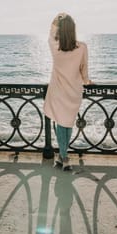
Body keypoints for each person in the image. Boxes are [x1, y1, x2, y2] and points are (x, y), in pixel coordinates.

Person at [43, 12, 93, 171]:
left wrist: (58, 17)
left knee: (61, 123)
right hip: (74, 91)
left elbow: (51, 31)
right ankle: (64, 157)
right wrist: (87, 81)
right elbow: (84, 69)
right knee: (68, 123)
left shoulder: (54, 45)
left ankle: (63, 156)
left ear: (61, 30)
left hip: (58, 90)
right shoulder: (82, 47)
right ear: (73, 30)